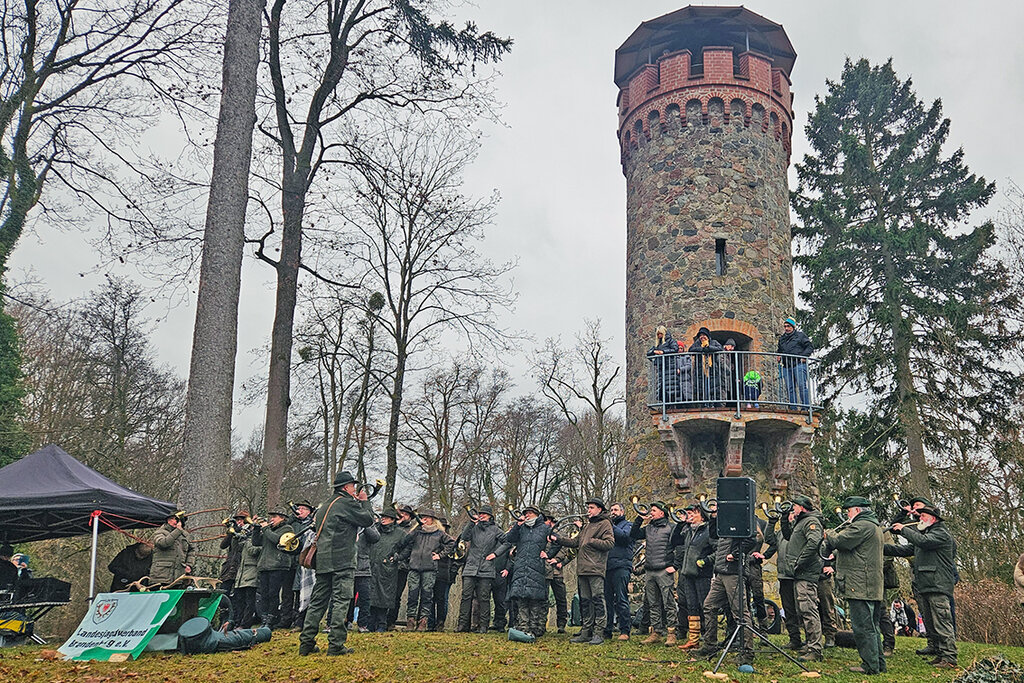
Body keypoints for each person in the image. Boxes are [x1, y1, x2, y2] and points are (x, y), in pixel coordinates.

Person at [298, 470, 375, 656]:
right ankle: (336, 644)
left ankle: (306, 643)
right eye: (353, 486)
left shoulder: (325, 506)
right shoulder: (346, 503)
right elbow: (368, 519)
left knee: (317, 602)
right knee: (341, 600)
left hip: (323, 560)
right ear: (347, 487)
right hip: (342, 560)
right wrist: (364, 501)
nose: (355, 489)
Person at [885, 506, 957, 669]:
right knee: (931, 624)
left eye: (923, 516)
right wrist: (879, 548)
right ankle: (940, 654)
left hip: (938, 586)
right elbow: (902, 550)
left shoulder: (940, 534)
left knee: (942, 623)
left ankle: (950, 657)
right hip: (926, 586)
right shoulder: (924, 537)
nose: (920, 519)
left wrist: (903, 529)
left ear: (934, 519)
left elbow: (921, 541)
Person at [822, 496, 886, 676]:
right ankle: (878, 663)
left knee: (863, 628)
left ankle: (870, 666)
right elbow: (855, 549)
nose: (847, 515)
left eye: (849, 511)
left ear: (857, 510)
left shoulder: (862, 525)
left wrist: (829, 533)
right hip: (870, 584)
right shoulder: (873, 526)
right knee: (872, 627)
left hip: (860, 585)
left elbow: (841, 541)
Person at [696, 502, 757, 667]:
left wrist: (736, 554)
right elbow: (714, 536)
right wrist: (714, 517)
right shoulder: (725, 522)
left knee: (740, 613)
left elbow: (752, 539)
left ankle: (747, 652)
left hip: (733, 573)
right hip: (721, 571)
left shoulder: (741, 519)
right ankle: (710, 645)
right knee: (709, 605)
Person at [549, 497, 615, 645]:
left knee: (598, 600)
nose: (589, 511)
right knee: (585, 601)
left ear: (599, 509)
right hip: (583, 569)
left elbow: (610, 543)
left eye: (591, 508)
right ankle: (586, 631)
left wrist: (592, 541)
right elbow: (575, 542)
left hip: (595, 568)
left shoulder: (605, 524)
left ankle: (599, 632)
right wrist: (558, 539)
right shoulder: (586, 526)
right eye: (588, 508)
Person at [630, 501, 683, 646]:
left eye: (654, 510)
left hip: (663, 571)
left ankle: (672, 633)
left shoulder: (671, 528)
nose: (651, 512)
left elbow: (680, 547)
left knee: (668, 603)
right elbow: (633, 534)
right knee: (652, 603)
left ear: (662, 513)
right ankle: (656, 632)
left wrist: (675, 566)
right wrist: (640, 518)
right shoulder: (648, 528)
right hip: (650, 570)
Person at [395, 509, 455, 631]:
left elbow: (451, 543)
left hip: (430, 568)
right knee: (412, 595)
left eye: (427, 517)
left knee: (427, 595)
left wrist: (440, 555)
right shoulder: (416, 532)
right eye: (423, 517)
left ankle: (423, 622)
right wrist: (416, 529)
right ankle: (410, 621)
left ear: (433, 519)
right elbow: (404, 542)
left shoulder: (439, 533)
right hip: (414, 567)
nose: (425, 519)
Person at [457, 504, 510, 633]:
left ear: (490, 516)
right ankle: (462, 625)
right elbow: (464, 537)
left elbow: (507, 542)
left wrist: (495, 554)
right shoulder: (474, 528)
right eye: (480, 514)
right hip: (471, 566)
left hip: (486, 568)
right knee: (466, 596)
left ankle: (483, 626)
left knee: (484, 598)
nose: (481, 516)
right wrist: (471, 523)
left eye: (484, 514)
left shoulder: (496, 530)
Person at [784, 495, 824, 662]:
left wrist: (799, 562)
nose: (793, 508)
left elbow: (814, 542)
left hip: (806, 573)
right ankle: (810, 644)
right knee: (804, 610)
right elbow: (787, 535)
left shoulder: (810, 522)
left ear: (802, 507)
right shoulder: (801, 522)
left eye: (795, 506)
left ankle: (815, 649)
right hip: (799, 574)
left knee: (809, 610)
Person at [504, 505, 550, 638]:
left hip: (537, 567)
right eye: (526, 513)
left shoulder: (545, 528)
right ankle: (523, 627)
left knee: (535, 599)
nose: (527, 515)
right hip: (521, 567)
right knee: (521, 599)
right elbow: (509, 539)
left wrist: (548, 554)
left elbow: (556, 541)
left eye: (530, 513)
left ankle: (534, 628)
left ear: (537, 514)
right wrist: (517, 525)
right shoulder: (521, 528)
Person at [678, 503, 714, 650]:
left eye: (693, 513)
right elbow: (674, 541)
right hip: (688, 573)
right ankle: (693, 639)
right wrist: (680, 522)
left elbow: (717, 551)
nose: (690, 515)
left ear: (701, 515)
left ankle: (708, 638)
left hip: (702, 574)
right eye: (688, 513)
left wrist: (705, 561)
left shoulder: (708, 531)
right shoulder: (688, 531)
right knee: (691, 606)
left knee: (703, 606)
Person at [253, 509, 294, 629]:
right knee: (264, 593)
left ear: (282, 517)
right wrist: (256, 528)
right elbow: (256, 542)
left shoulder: (287, 529)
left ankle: (271, 620)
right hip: (265, 565)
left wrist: (265, 528)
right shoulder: (269, 530)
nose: (271, 519)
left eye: (274, 516)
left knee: (273, 593)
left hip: (278, 565)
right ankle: (264, 619)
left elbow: (278, 540)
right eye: (271, 517)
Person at [368, 507, 405, 632]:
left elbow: (408, 547)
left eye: (387, 517)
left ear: (393, 520)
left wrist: (397, 557)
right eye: (382, 516)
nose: (383, 519)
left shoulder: (400, 533)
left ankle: (382, 624)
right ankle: (370, 623)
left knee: (385, 596)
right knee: (371, 594)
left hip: (388, 569)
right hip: (372, 566)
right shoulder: (375, 530)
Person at [604, 502, 634, 641]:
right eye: (611, 510)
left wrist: (611, 525)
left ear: (622, 512)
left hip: (622, 566)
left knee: (621, 598)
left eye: (615, 510)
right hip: (607, 566)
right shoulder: (608, 526)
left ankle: (625, 630)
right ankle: (608, 628)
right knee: (607, 600)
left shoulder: (628, 525)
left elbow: (624, 538)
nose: (613, 512)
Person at [541, 511, 571, 633]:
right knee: (543, 598)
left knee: (561, 598)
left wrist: (557, 560)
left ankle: (561, 624)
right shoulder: (542, 533)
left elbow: (564, 549)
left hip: (557, 571)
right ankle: (542, 623)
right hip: (544, 570)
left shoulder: (561, 534)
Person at [388, 504, 416, 629]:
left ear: (410, 517)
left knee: (396, 595)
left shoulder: (411, 530)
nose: (403, 516)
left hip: (403, 566)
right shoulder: (393, 527)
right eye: (401, 513)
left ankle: (391, 621)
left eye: (405, 514)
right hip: (388, 565)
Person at [777, 317, 814, 410]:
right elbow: (780, 350)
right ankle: (793, 407)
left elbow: (809, 347)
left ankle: (805, 407)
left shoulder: (800, 336)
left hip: (798, 364)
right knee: (790, 388)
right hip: (786, 366)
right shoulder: (782, 339)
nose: (786, 328)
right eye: (785, 326)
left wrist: (804, 356)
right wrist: (778, 356)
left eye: (788, 326)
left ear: (793, 327)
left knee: (802, 386)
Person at [151, 511, 195, 586]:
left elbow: (191, 550)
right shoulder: (160, 532)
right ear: (168, 520)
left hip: (179, 577)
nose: (177, 522)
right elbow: (163, 543)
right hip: (161, 576)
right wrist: (177, 531)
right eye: (175, 519)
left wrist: (189, 565)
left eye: (179, 520)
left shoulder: (185, 535)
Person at [351, 519, 381, 631]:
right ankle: (343, 621)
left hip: (363, 566)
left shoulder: (368, 523)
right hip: (347, 564)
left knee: (365, 598)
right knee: (345, 596)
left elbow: (375, 537)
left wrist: (365, 523)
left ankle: (362, 624)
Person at [430, 517, 458, 631]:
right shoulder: (431, 539)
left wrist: (453, 572)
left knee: (442, 599)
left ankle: (440, 623)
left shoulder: (450, 542)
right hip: (431, 571)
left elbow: (457, 559)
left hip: (444, 573)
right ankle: (430, 623)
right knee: (430, 599)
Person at [648, 326, 686, 407]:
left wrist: (663, 352)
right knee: (663, 387)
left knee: (672, 387)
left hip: (670, 366)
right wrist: (654, 352)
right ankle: (667, 405)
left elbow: (675, 349)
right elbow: (649, 353)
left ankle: (674, 405)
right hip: (662, 367)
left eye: (660, 334)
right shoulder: (658, 344)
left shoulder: (670, 341)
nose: (659, 336)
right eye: (658, 334)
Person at [688, 327, 723, 406]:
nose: (702, 337)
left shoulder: (713, 342)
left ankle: (713, 404)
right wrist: (702, 349)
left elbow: (720, 348)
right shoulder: (697, 343)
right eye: (700, 335)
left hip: (712, 369)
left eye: (704, 335)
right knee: (701, 387)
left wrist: (709, 348)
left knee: (713, 387)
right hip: (701, 370)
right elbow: (691, 350)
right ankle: (703, 404)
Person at [233, 532, 261, 628]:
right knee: (240, 601)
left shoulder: (257, 539)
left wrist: (248, 540)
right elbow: (236, 547)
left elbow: (252, 551)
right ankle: (238, 622)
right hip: (241, 574)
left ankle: (245, 624)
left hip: (251, 573)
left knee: (249, 602)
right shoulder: (246, 539)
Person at [220, 511, 250, 598]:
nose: (239, 522)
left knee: (238, 597)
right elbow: (223, 545)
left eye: (241, 520)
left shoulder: (249, 531)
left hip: (241, 568)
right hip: (230, 567)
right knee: (224, 593)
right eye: (237, 520)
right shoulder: (234, 530)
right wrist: (231, 533)